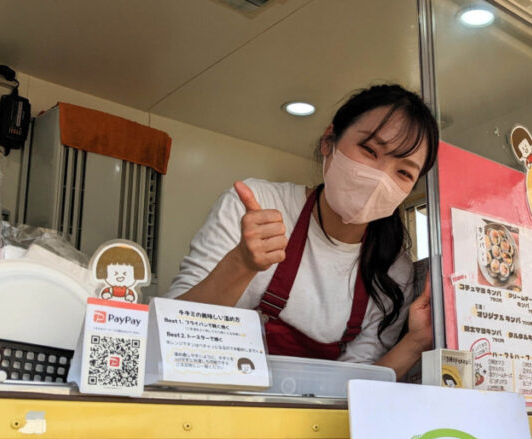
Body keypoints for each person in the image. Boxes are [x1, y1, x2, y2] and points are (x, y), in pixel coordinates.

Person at [166, 84, 439, 378]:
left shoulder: (393, 271)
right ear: (328, 141)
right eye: (370, 150)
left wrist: (416, 342)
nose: (379, 179)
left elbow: (358, 384)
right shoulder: (257, 207)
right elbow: (171, 331)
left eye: (403, 172)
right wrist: (241, 263)